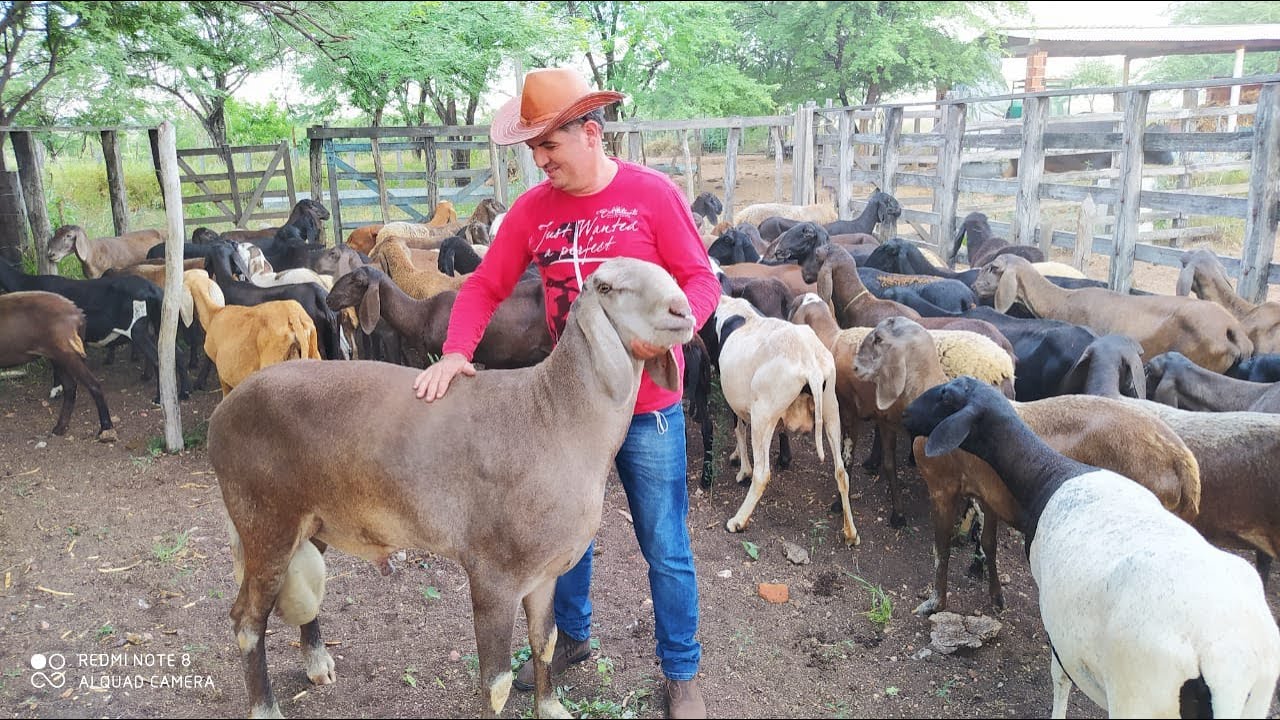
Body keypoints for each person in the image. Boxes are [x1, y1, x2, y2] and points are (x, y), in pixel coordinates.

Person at [411, 67, 720, 719]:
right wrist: (458, 351)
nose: (539, 160)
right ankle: (570, 639)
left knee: (664, 541)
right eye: (531, 148)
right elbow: (484, 286)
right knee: (556, 529)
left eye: (548, 145)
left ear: (590, 133)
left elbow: (699, 281)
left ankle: (682, 672)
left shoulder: (651, 197)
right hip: (564, 411)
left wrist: (664, 341)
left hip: (647, 411)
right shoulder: (531, 212)